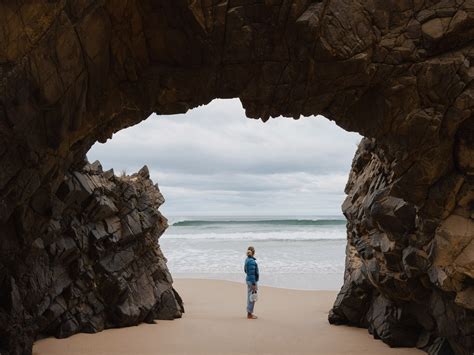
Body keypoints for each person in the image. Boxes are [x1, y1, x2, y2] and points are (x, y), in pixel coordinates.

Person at [244, 246, 259, 319]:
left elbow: (245, 271)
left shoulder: (247, 260)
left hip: (248, 280)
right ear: (253, 253)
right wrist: (253, 283)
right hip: (252, 281)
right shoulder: (252, 262)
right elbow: (252, 273)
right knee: (252, 298)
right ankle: (249, 314)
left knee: (250, 297)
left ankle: (249, 312)